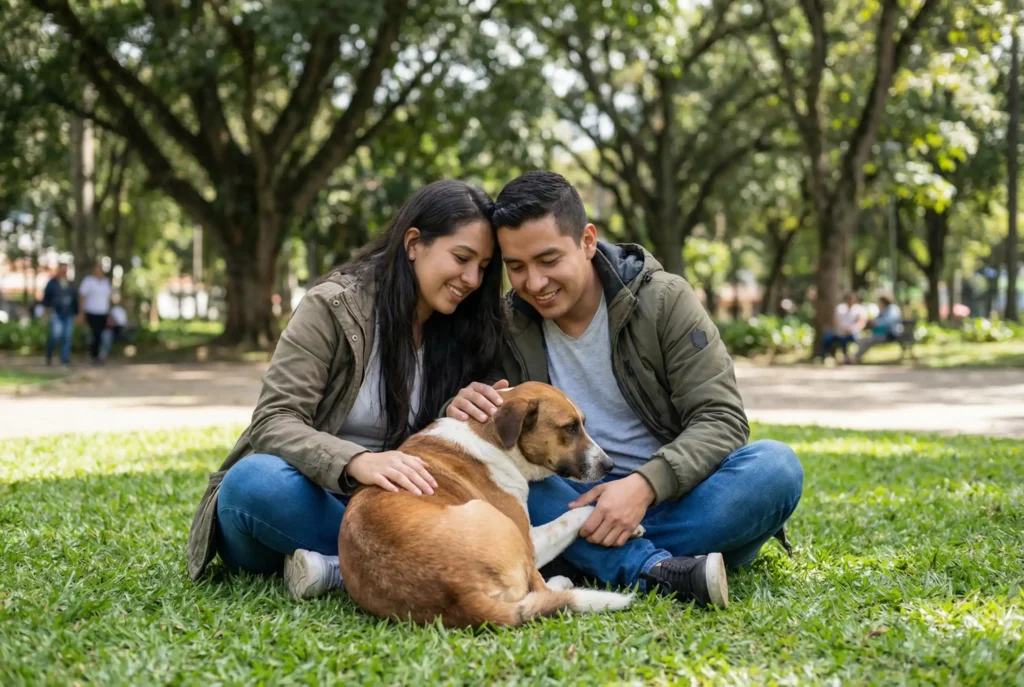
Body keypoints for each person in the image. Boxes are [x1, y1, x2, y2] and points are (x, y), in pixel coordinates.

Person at [447, 171, 803, 608]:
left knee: (776, 468)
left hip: (673, 496)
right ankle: (660, 569)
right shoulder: (505, 325)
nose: (534, 283)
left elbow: (722, 420)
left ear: (587, 241)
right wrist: (460, 404)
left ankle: (588, 559)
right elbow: (488, 437)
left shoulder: (664, 301)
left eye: (548, 260)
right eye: (516, 267)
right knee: (519, 487)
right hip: (569, 499)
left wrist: (644, 485)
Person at [186, 180, 506, 600]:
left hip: (400, 510)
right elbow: (273, 421)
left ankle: (338, 568)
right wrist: (356, 461)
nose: (471, 279)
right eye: (462, 258)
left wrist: (455, 409)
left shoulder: (466, 328)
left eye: (483, 267)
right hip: (307, 499)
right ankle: (398, 560)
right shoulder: (333, 307)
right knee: (252, 482)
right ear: (414, 243)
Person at [41, 260, 78, 367]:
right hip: (56, 313)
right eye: (62, 269)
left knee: (67, 337)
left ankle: (64, 360)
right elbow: (46, 299)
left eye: (66, 269)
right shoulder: (52, 283)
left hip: (69, 313)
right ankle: (49, 355)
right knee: (55, 335)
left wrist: (77, 313)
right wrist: (45, 312)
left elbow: (75, 299)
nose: (64, 271)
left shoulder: (70, 284)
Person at [852, 294, 903, 364]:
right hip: (882, 334)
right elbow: (878, 320)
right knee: (863, 340)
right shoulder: (884, 309)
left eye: (880, 302)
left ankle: (855, 358)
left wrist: (876, 322)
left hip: (891, 334)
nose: (879, 304)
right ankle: (856, 357)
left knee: (867, 340)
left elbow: (888, 321)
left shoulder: (892, 309)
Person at [78, 263, 113, 365]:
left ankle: (100, 355)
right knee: (96, 334)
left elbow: (108, 299)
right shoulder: (88, 281)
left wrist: (109, 313)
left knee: (103, 335)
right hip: (92, 312)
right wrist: (82, 312)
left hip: (103, 313)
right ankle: (94, 356)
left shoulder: (106, 282)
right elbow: (82, 297)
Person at [820, 291, 867, 363]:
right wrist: (842, 328)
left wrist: (852, 328)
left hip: (853, 332)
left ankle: (849, 358)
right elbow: (836, 320)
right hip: (840, 331)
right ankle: (824, 357)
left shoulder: (859, 309)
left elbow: (862, 322)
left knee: (845, 338)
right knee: (827, 337)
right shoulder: (840, 308)